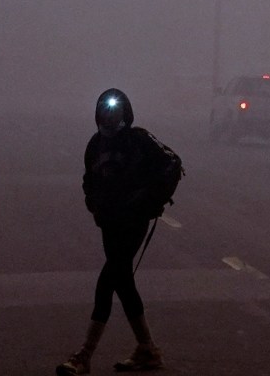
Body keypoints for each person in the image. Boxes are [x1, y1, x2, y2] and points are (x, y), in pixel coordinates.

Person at [58, 88, 180, 374]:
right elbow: (89, 180)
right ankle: (147, 349)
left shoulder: (139, 140)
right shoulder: (95, 145)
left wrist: (151, 200)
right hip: (110, 224)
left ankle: (84, 356)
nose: (110, 115)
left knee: (108, 280)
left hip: (133, 222)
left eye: (115, 110)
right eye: (105, 109)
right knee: (123, 283)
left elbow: (172, 163)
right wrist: (94, 205)